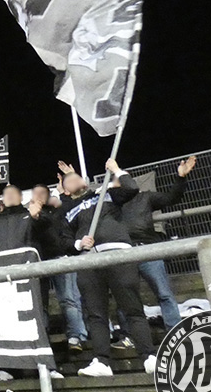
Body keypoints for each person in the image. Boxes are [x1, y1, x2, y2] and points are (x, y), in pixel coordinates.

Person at [60, 159, 155, 377]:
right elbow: (63, 240)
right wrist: (78, 244)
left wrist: (116, 170)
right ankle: (101, 361)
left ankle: (149, 356)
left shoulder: (105, 194)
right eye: (70, 181)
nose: (75, 180)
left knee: (132, 308)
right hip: (89, 262)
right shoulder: (68, 211)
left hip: (118, 255)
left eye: (77, 177)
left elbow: (131, 188)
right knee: (96, 314)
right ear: (65, 190)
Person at [116, 156, 197, 334]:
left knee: (164, 293)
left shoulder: (144, 197)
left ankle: (175, 332)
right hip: (122, 253)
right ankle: (129, 336)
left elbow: (171, 198)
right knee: (125, 297)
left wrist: (181, 177)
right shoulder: (109, 203)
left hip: (147, 248)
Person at [33, 181, 87, 353]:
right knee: (40, 304)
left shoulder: (58, 211)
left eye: (42, 193)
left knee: (68, 299)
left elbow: (73, 205)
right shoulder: (28, 216)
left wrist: (63, 194)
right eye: (36, 193)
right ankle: (43, 339)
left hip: (60, 258)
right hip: (39, 263)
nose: (39, 196)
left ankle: (75, 336)